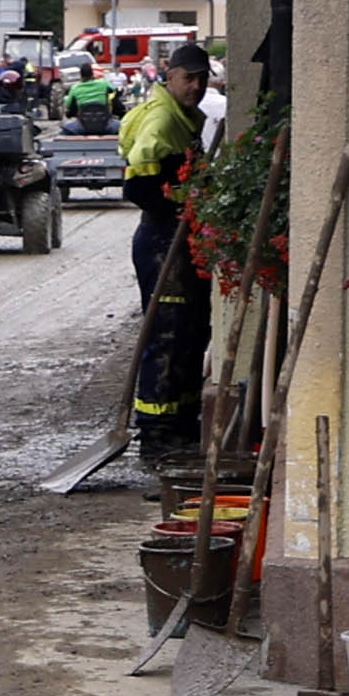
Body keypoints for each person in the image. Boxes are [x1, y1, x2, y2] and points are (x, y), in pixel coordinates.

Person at [120, 39, 213, 462]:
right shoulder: (161, 120)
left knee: (192, 330)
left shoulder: (183, 116)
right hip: (162, 240)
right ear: (169, 76)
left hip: (178, 235)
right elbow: (137, 184)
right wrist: (175, 207)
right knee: (168, 332)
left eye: (201, 78)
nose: (195, 86)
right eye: (188, 78)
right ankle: (155, 432)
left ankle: (180, 422)